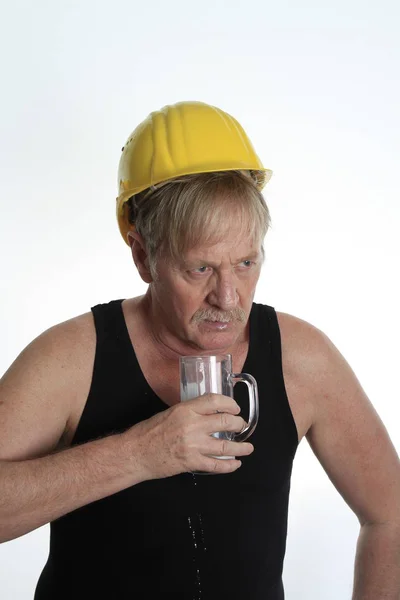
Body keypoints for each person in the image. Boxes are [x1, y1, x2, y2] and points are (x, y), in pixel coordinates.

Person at [0, 100, 399, 600]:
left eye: (246, 262)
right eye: (201, 269)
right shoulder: (72, 358)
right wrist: (142, 453)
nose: (228, 299)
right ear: (144, 255)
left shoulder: (302, 358)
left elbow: (390, 515)